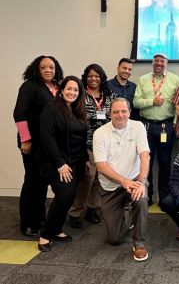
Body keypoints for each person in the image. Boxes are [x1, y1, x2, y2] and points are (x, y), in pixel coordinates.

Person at [93, 98, 150, 262]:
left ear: (129, 112)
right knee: (114, 239)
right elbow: (101, 167)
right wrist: (124, 182)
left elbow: (145, 156)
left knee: (141, 199)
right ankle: (128, 214)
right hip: (111, 186)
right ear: (109, 113)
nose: (120, 115)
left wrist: (142, 182)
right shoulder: (100, 133)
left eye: (124, 111)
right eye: (116, 112)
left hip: (134, 180)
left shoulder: (137, 127)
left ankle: (139, 243)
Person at [13, 55, 63, 237]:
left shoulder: (58, 87)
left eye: (52, 67)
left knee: (42, 181)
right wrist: (25, 140)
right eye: (44, 67)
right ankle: (27, 223)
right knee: (32, 181)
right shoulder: (29, 86)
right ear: (37, 69)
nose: (48, 70)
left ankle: (40, 219)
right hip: (32, 143)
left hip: (48, 144)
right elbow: (19, 114)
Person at [37, 76, 88, 252]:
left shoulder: (77, 110)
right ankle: (45, 234)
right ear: (62, 90)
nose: (72, 92)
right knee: (64, 195)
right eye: (69, 88)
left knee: (70, 196)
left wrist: (85, 160)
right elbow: (47, 138)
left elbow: (80, 138)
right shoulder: (51, 108)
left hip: (75, 161)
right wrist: (60, 164)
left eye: (76, 90)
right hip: (55, 161)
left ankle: (56, 229)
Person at [68, 64, 116, 228]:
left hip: (105, 144)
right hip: (86, 143)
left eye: (97, 76)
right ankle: (75, 212)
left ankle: (93, 208)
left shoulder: (109, 95)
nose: (93, 79)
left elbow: (114, 116)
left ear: (102, 78)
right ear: (85, 78)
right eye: (90, 76)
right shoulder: (80, 95)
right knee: (87, 179)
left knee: (99, 179)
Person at [133, 53, 179, 205]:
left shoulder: (175, 80)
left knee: (165, 162)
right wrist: (151, 101)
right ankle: (146, 195)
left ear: (167, 63)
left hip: (166, 126)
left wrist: (175, 122)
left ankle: (164, 197)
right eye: (156, 61)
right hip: (146, 126)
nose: (159, 63)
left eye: (162, 61)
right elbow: (136, 102)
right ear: (152, 63)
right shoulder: (143, 79)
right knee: (145, 161)